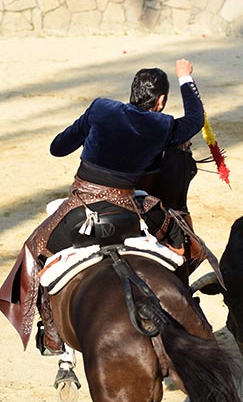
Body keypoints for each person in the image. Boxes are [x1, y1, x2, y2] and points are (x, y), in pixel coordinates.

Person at [0, 59, 207, 359]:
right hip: (128, 208)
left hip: (81, 204)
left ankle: (54, 336)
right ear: (161, 101)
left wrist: (89, 131)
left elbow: (57, 148)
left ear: (133, 92)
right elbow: (195, 120)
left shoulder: (101, 109)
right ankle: (184, 299)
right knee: (186, 243)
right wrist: (185, 78)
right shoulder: (163, 125)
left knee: (34, 249)